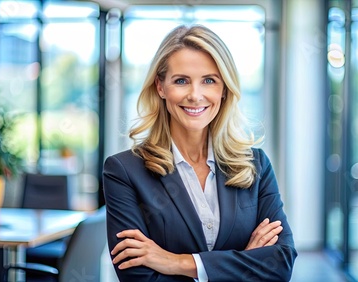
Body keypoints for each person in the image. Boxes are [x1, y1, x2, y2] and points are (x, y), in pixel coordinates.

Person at [103, 24, 297, 281]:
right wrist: (245, 264)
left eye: (209, 80)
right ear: (161, 87)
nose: (195, 95)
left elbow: (280, 263)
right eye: (181, 81)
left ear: (224, 89)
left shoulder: (256, 165)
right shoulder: (124, 171)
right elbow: (138, 277)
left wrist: (176, 262)